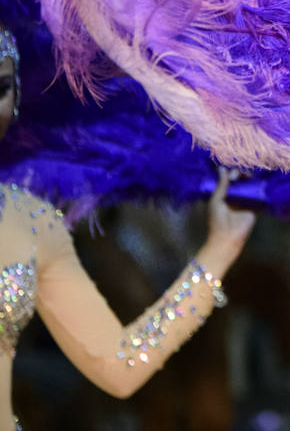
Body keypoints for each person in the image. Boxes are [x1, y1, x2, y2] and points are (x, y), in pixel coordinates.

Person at [0, 25, 254, 430]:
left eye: (0, 87)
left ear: (15, 101)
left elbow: (117, 366)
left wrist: (221, 248)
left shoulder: (31, 220)